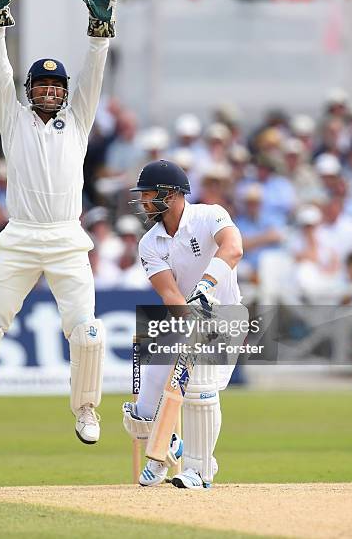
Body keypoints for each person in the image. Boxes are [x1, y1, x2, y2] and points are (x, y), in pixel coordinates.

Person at [0, 0, 116, 447]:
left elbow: (94, 70)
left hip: (67, 238)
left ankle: (86, 408)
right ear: (30, 90)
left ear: (64, 92)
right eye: (41, 85)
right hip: (22, 235)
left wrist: (99, 27)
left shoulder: (79, 119)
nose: (48, 91)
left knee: (86, 332)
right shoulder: (14, 118)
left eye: (55, 86)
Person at [122, 160, 243, 489]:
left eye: (148, 194)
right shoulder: (149, 243)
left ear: (171, 194)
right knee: (142, 408)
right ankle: (166, 448)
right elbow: (170, 293)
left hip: (226, 317)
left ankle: (199, 471)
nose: (144, 201)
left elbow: (234, 249)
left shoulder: (209, 215)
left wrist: (205, 287)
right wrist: (192, 317)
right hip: (185, 319)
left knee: (200, 389)